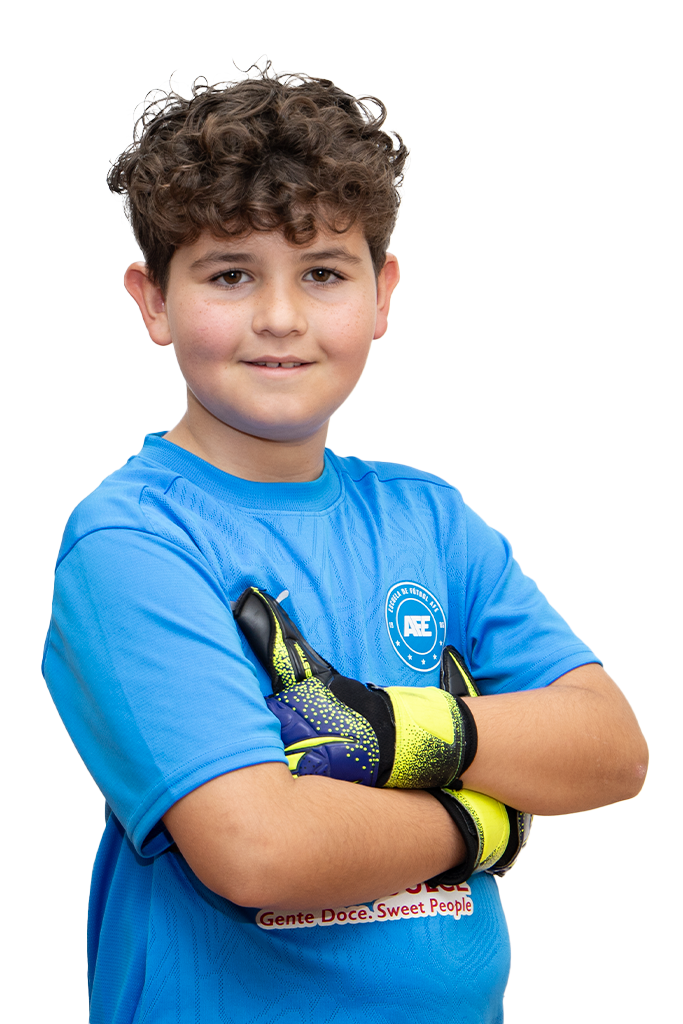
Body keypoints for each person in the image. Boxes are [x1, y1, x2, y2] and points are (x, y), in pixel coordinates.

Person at [42, 70, 648, 1024]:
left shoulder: (428, 519)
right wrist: (479, 818)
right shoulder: (134, 541)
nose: (280, 317)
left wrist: (389, 732)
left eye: (322, 272)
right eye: (230, 274)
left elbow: (610, 749)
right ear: (152, 301)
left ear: (381, 293)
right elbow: (258, 850)